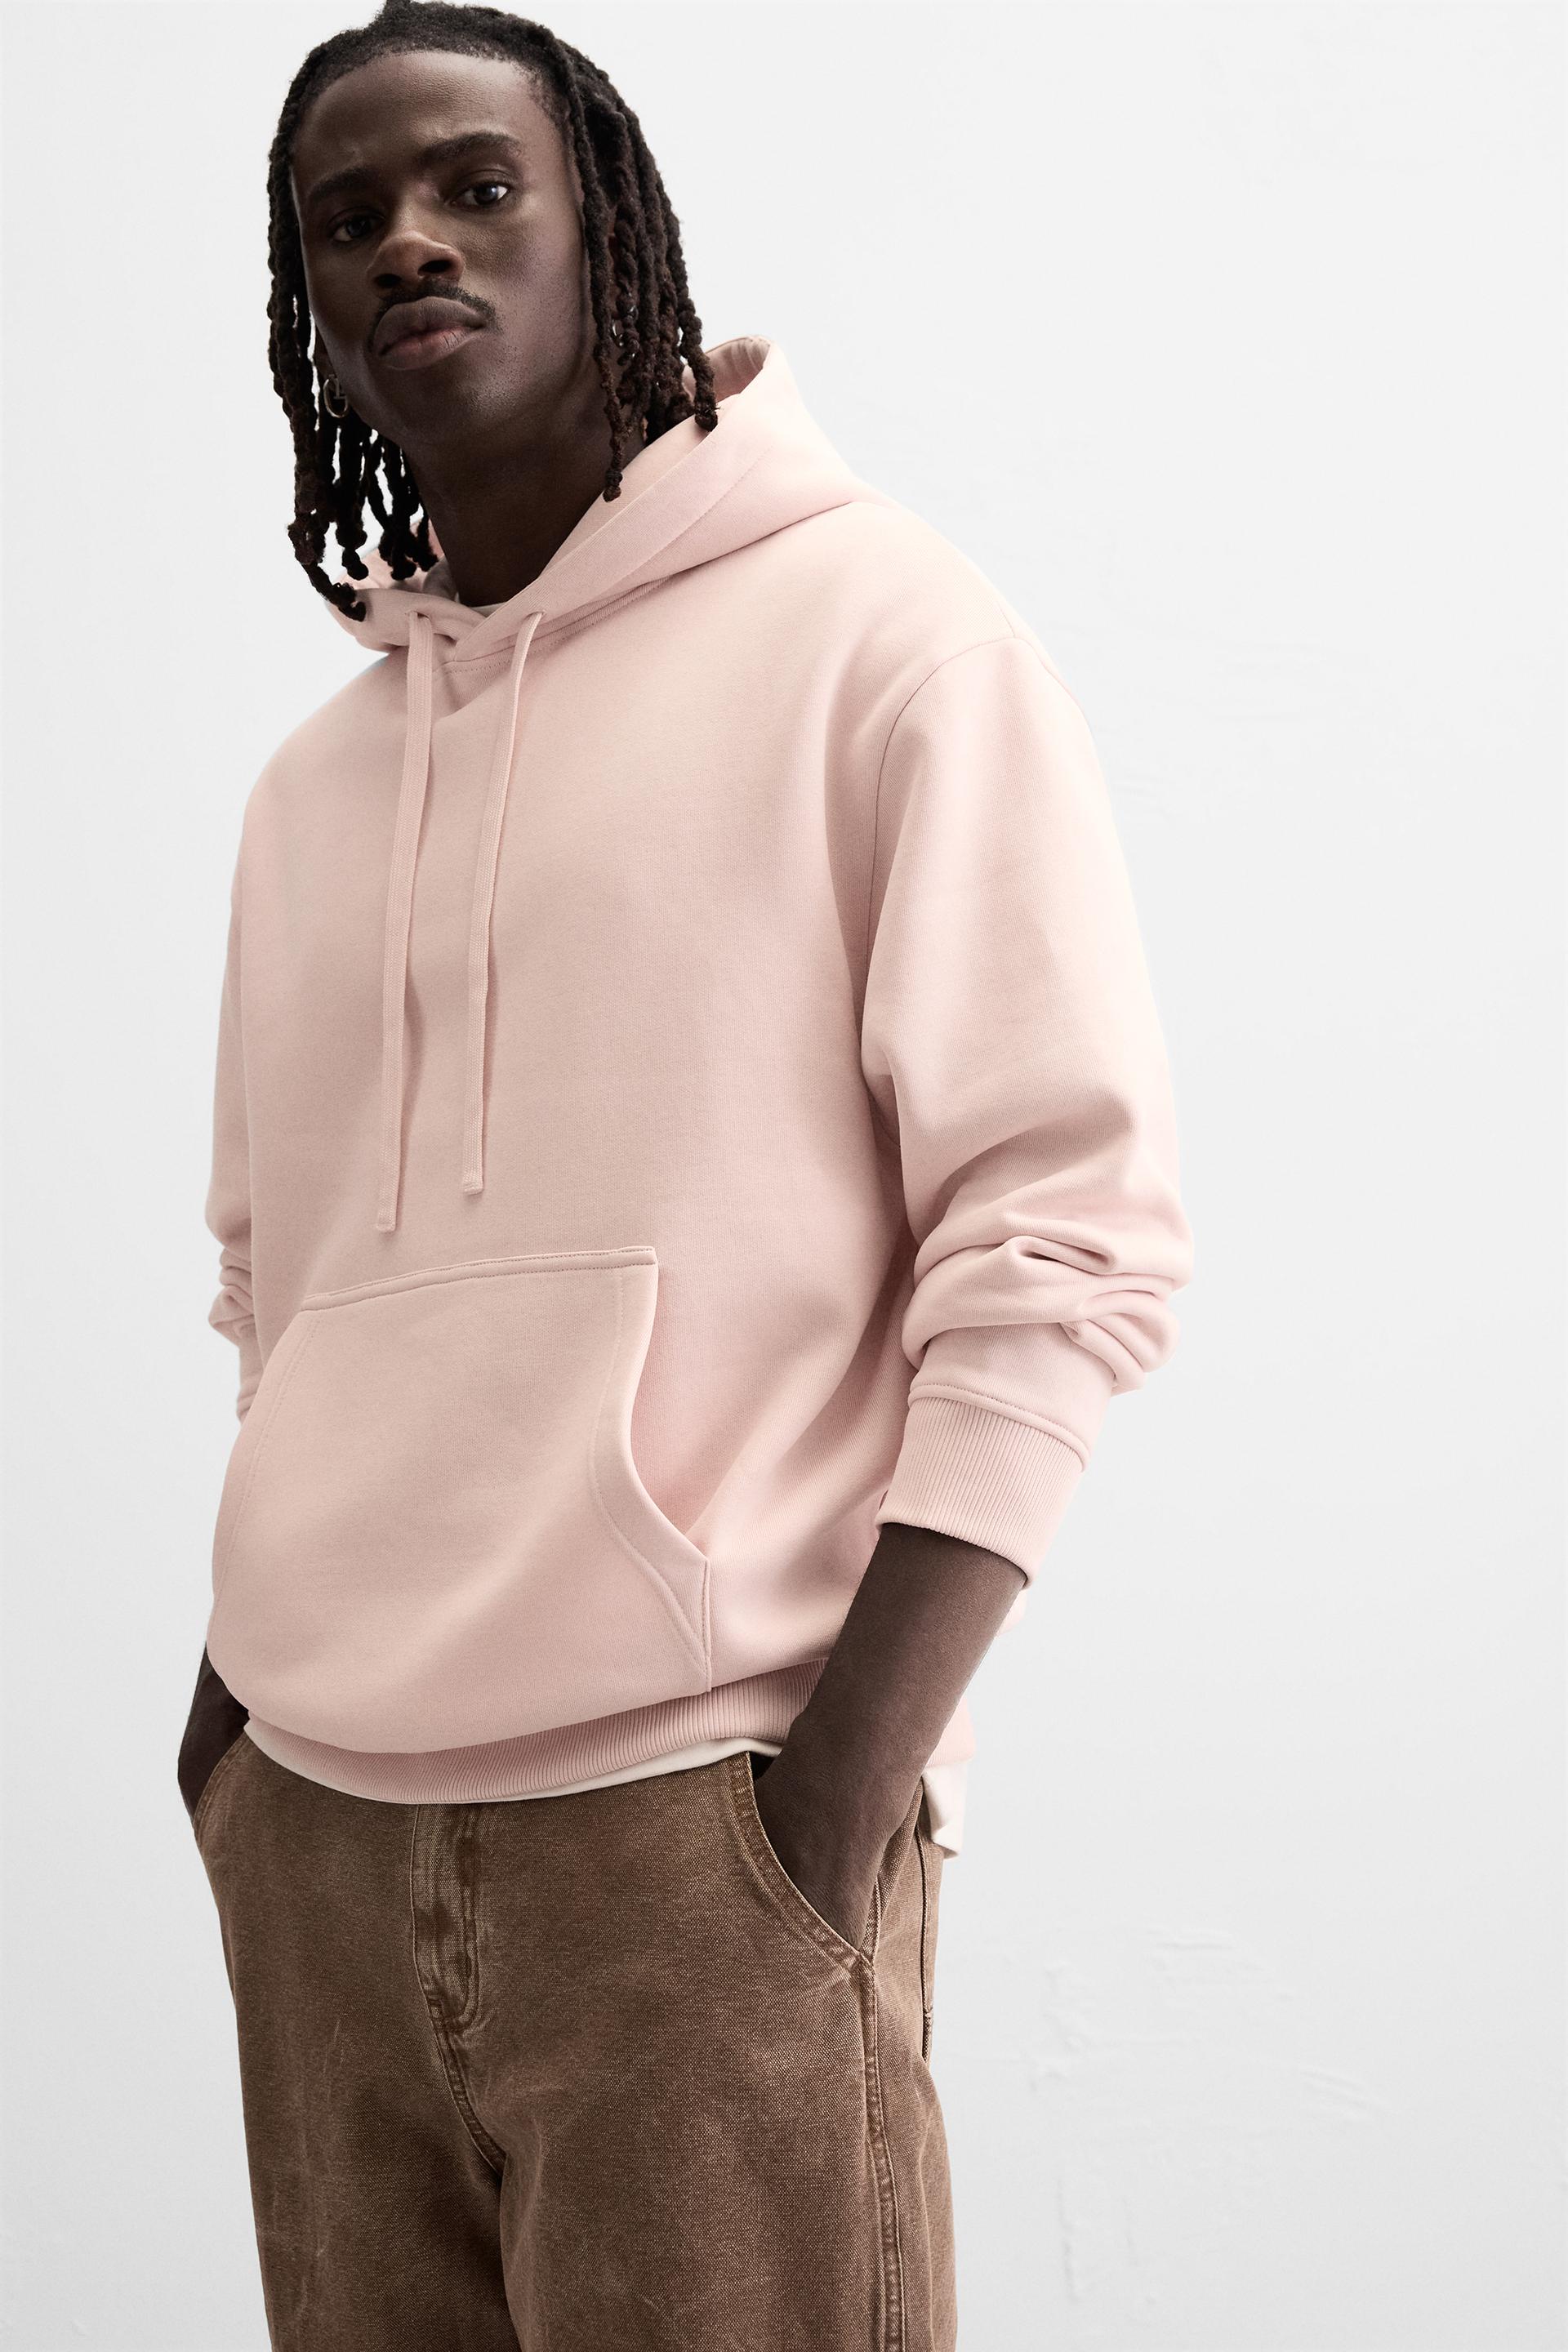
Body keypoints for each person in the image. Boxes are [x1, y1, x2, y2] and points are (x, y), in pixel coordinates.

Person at [179, 2, 1194, 2344]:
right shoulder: (311, 792)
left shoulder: (888, 643)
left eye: (476, 184)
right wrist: (228, 1732)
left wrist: (828, 1809)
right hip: (314, 1837)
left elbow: (1064, 1240)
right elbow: (274, 1290)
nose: (410, 243)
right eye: (348, 218)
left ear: (610, 228)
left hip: (695, 1832)